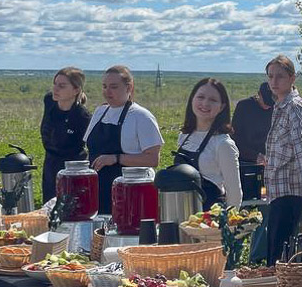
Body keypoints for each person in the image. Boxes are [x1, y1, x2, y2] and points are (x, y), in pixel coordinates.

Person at [84, 65, 164, 215]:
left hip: (131, 192)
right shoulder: (100, 111)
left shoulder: (141, 116)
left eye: (114, 87)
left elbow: (153, 159)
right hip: (98, 191)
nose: (107, 92)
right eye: (104, 86)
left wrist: (116, 158)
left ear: (129, 87)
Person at [262, 55, 302, 265]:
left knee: (279, 256)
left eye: (280, 77)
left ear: (292, 78)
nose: (274, 82)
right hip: (279, 191)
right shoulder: (280, 106)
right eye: (271, 77)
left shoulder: (294, 107)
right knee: (274, 251)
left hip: (291, 192)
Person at [174, 78, 242, 209]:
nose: (205, 103)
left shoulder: (223, 144)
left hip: (211, 219)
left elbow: (234, 194)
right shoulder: (184, 137)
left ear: (222, 107)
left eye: (213, 100)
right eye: (200, 97)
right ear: (192, 99)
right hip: (183, 213)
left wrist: (228, 225)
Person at [40, 67, 92, 202]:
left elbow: (90, 147)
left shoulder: (82, 116)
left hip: (73, 170)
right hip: (50, 165)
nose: (55, 89)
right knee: (49, 209)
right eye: (55, 84)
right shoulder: (49, 101)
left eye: (62, 86)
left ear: (76, 90)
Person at [231, 81, 274, 200]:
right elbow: (234, 138)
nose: (268, 106)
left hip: (268, 164)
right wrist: (255, 156)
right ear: (259, 95)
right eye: (265, 103)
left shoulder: (276, 108)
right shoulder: (244, 107)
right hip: (246, 163)